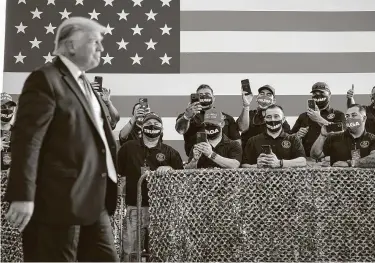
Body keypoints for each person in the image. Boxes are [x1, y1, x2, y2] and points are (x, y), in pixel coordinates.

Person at [4, 17, 119, 262]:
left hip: (93, 200)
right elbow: (28, 140)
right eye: (94, 42)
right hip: (56, 202)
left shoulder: (85, 84)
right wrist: (23, 194)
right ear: (70, 46)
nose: (101, 48)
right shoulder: (45, 79)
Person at [117, 112, 183, 261]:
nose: (152, 127)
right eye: (148, 124)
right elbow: (118, 173)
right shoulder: (128, 148)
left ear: (161, 129)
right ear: (142, 127)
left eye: (156, 125)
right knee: (129, 252)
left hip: (161, 210)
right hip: (134, 207)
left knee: (160, 251)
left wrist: (171, 170)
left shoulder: (171, 153)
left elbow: (182, 181)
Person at [175, 84, 241, 156]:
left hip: (223, 160)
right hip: (196, 159)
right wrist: (187, 117)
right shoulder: (186, 116)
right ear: (196, 98)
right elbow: (180, 130)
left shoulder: (226, 118)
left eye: (207, 94)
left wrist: (235, 158)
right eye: (200, 95)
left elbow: (237, 141)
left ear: (213, 98)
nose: (204, 96)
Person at [291, 82, 345, 157]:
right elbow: (290, 138)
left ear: (329, 95)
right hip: (307, 160)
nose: (318, 95)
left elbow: (341, 134)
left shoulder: (339, 114)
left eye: (321, 92)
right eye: (314, 93)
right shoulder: (303, 116)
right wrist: (297, 135)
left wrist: (319, 119)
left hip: (329, 160)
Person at [310, 104, 375, 167]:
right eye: (347, 116)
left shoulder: (372, 139)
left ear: (364, 118)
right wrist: (322, 136)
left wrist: (350, 163)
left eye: (353, 115)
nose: (349, 118)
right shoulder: (334, 137)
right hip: (335, 177)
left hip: (363, 177)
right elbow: (315, 155)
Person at [242, 105, 306, 168]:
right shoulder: (253, 141)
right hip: (260, 178)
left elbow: (302, 161)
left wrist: (279, 163)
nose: (272, 120)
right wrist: (256, 166)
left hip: (287, 178)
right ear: (265, 120)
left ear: (283, 119)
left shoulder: (293, 139)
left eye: (276, 116)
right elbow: (244, 165)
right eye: (269, 117)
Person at [237, 85, 291, 150]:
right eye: (262, 94)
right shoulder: (250, 114)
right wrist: (246, 105)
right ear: (257, 98)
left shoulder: (278, 118)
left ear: (274, 100)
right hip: (249, 154)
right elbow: (242, 128)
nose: (265, 97)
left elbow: (287, 139)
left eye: (268, 95)